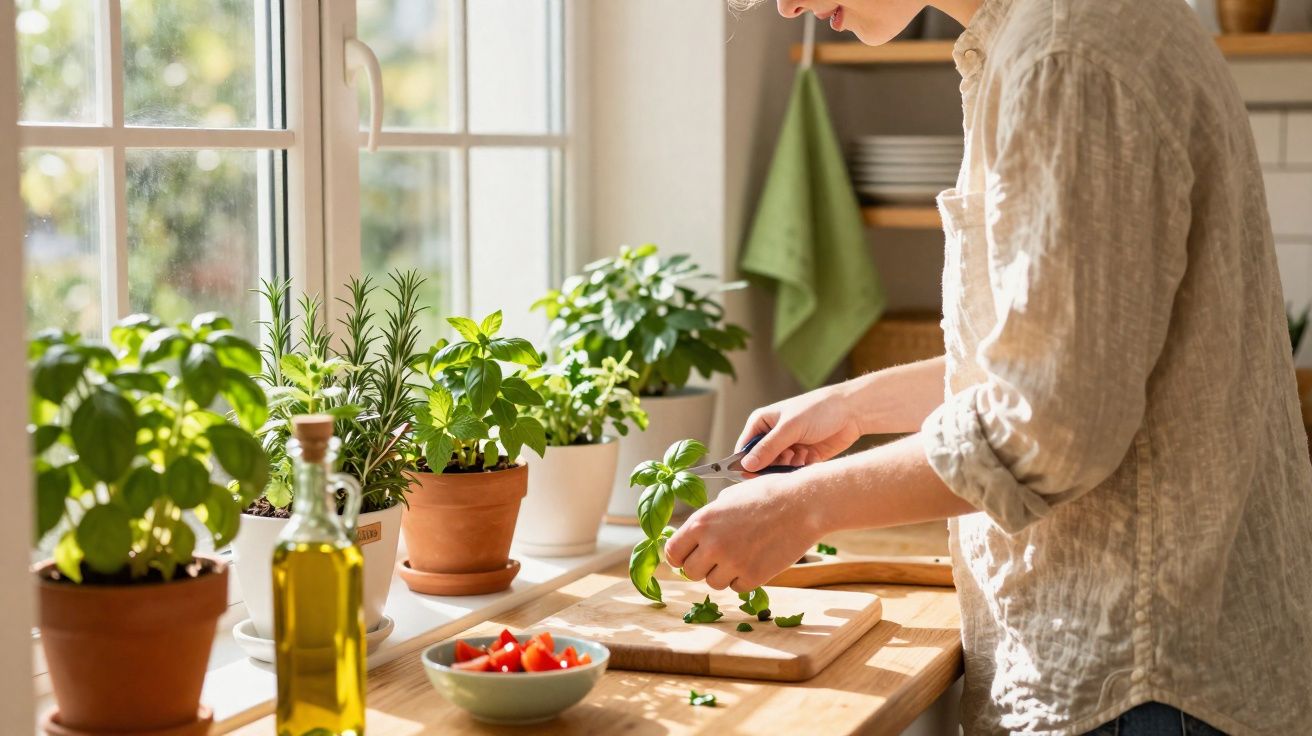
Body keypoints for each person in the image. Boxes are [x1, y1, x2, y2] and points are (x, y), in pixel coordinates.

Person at [667, 0, 1312, 734]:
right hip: (1162, 663)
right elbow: (1069, 356)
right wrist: (853, 405)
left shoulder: (1067, 56)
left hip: (1138, 681)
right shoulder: (1050, 33)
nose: (785, 5)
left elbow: (1049, 427)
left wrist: (802, 505)